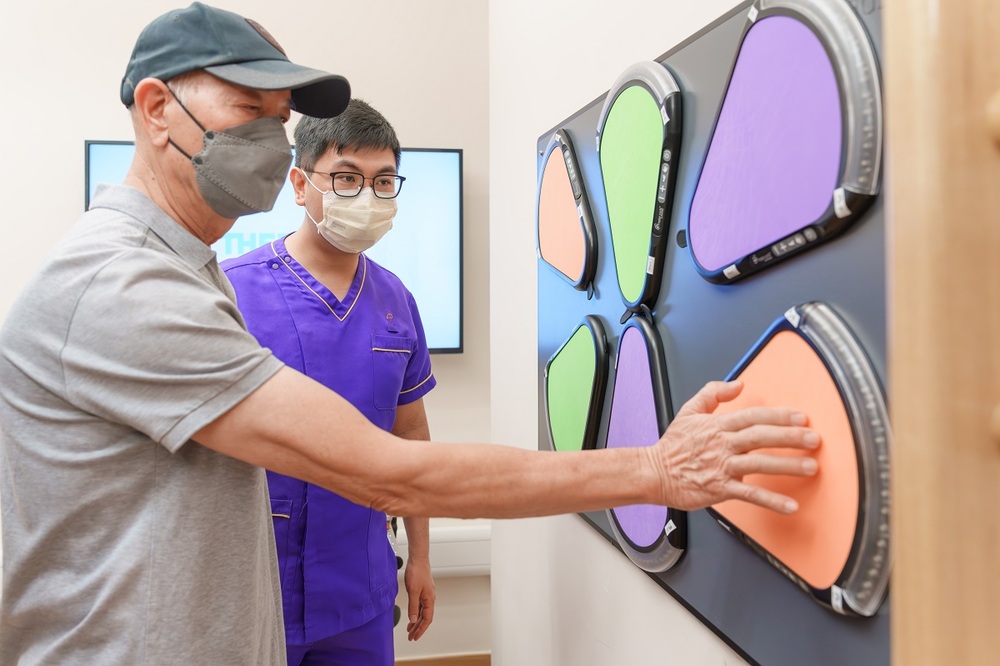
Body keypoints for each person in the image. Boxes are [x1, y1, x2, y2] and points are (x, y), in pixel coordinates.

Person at [0, 3, 820, 664]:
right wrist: (652, 467)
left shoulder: (200, 265)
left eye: (277, 120)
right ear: (156, 109)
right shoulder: (123, 284)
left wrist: (416, 558)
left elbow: (408, 431)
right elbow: (392, 472)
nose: (266, 139)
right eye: (249, 111)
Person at [221, 99, 435, 665]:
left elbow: (412, 438)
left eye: (383, 181)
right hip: (254, 584)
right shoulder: (230, 292)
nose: (367, 197)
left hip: (359, 586)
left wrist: (420, 557)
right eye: (345, 178)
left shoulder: (396, 301)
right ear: (299, 183)